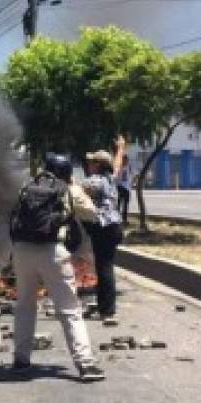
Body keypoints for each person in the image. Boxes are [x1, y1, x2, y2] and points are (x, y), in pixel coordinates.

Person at [8, 152, 104, 382]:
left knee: (25, 306)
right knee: (69, 309)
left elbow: (13, 218)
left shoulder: (26, 186)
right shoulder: (69, 189)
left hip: (22, 251)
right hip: (53, 252)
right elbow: (92, 214)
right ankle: (86, 364)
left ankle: (21, 360)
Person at [82, 136, 127, 325]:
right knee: (103, 266)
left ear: (99, 165)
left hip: (104, 228)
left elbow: (76, 189)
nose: (89, 164)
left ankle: (108, 310)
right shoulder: (110, 177)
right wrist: (120, 148)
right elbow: (116, 165)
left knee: (104, 267)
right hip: (115, 227)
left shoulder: (96, 181)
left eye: (92, 162)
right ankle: (103, 306)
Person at [115, 150, 133, 221]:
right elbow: (116, 177)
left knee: (125, 205)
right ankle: (117, 218)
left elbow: (132, 175)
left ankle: (124, 219)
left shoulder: (129, 167)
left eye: (126, 160)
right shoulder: (119, 167)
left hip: (127, 188)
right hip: (120, 187)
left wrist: (132, 183)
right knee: (119, 204)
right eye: (124, 159)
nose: (125, 161)